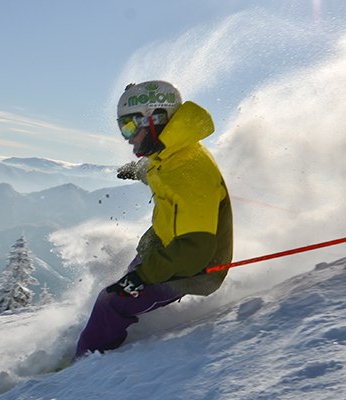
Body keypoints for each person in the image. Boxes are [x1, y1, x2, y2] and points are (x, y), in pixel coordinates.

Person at [76, 80, 234, 355]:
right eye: (122, 127)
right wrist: (136, 170)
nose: (126, 137)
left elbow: (194, 251)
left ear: (156, 119)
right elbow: (158, 171)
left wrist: (144, 277)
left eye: (129, 126)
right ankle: (102, 340)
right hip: (164, 248)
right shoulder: (170, 151)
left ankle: (78, 368)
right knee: (120, 288)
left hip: (192, 270)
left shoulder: (190, 172)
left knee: (110, 302)